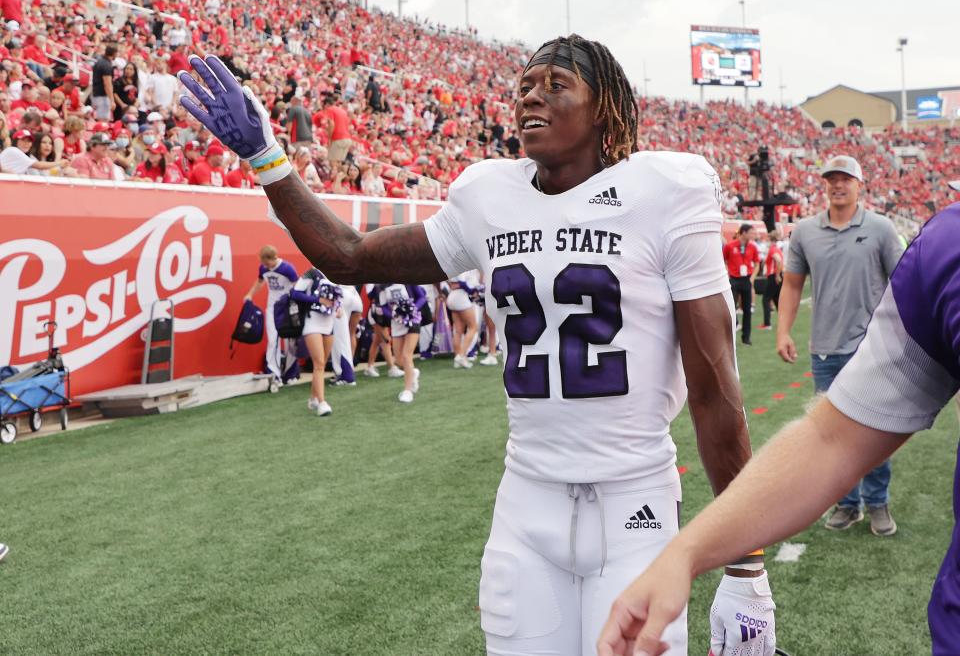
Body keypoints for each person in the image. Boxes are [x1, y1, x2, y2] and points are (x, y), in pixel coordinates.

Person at [179, 38, 774, 655]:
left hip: (635, 503)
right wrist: (267, 157)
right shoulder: (490, 197)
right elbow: (349, 257)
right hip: (527, 498)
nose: (532, 96)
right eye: (525, 86)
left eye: (556, 83)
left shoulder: (665, 191)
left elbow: (715, 394)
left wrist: (747, 567)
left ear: (605, 110)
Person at [598, 200, 960, 656]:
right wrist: (684, 554)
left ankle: (876, 505)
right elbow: (833, 439)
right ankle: (856, 507)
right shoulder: (948, 248)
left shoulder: (896, 234)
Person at [777, 155, 903, 536]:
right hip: (825, 350)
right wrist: (783, 331)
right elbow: (793, 284)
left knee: (875, 430)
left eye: (845, 178)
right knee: (833, 435)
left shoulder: (881, 228)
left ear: (859, 184)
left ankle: (878, 503)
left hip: (872, 347)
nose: (838, 185)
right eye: (832, 179)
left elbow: (901, 280)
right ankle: (847, 504)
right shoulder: (805, 232)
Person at [244, 246, 299, 386]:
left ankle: (291, 373)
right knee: (273, 340)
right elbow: (260, 281)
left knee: (290, 341)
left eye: (267, 263)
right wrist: (250, 294)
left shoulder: (287, 268)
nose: (266, 266)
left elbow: (297, 286)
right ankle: (274, 374)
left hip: (287, 308)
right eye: (264, 263)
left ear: (274, 257)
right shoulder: (263, 268)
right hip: (272, 308)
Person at [290, 267, 339, 416]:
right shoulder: (312, 273)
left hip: (329, 323)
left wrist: (338, 307)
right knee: (318, 363)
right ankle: (322, 403)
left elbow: (336, 296)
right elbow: (295, 293)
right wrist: (318, 300)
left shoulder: (336, 273)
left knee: (322, 363)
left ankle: (313, 398)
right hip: (312, 322)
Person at [380, 283, 428, 403]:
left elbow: (422, 297)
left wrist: (411, 309)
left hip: (413, 321)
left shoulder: (407, 280)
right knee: (399, 361)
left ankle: (408, 391)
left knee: (407, 356)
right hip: (396, 324)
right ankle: (413, 372)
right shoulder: (381, 286)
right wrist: (394, 314)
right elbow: (383, 306)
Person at [722, 224, 759, 345]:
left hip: (746, 279)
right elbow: (723, 260)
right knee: (731, 307)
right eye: (751, 232)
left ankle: (746, 337)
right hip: (734, 279)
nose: (753, 235)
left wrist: (752, 278)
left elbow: (757, 263)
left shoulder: (753, 247)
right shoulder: (730, 246)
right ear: (743, 233)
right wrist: (726, 273)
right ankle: (731, 334)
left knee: (747, 310)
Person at [445, 273, 479, 369]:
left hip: (451, 295)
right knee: (473, 327)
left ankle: (457, 358)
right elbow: (462, 283)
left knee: (458, 330)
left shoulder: (451, 265)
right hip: (460, 296)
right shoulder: (460, 265)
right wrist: (473, 291)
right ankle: (462, 356)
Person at [0, 128, 68, 174]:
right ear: (15, 141)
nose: (26, 144)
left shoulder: (28, 157)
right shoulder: (13, 150)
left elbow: (43, 173)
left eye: (29, 141)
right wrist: (59, 163)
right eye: (23, 140)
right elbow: (39, 166)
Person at [758, 230, 783, 330]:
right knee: (777, 300)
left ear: (770, 239)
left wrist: (777, 275)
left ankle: (767, 323)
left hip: (773, 276)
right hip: (777, 275)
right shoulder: (777, 249)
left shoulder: (773, 249)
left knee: (766, 299)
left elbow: (779, 261)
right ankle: (783, 322)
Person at [91, 44, 117, 122]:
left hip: (96, 94)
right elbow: (107, 84)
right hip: (103, 97)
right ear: (114, 53)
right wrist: (112, 101)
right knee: (103, 121)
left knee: (99, 120)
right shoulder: (106, 65)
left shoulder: (99, 62)